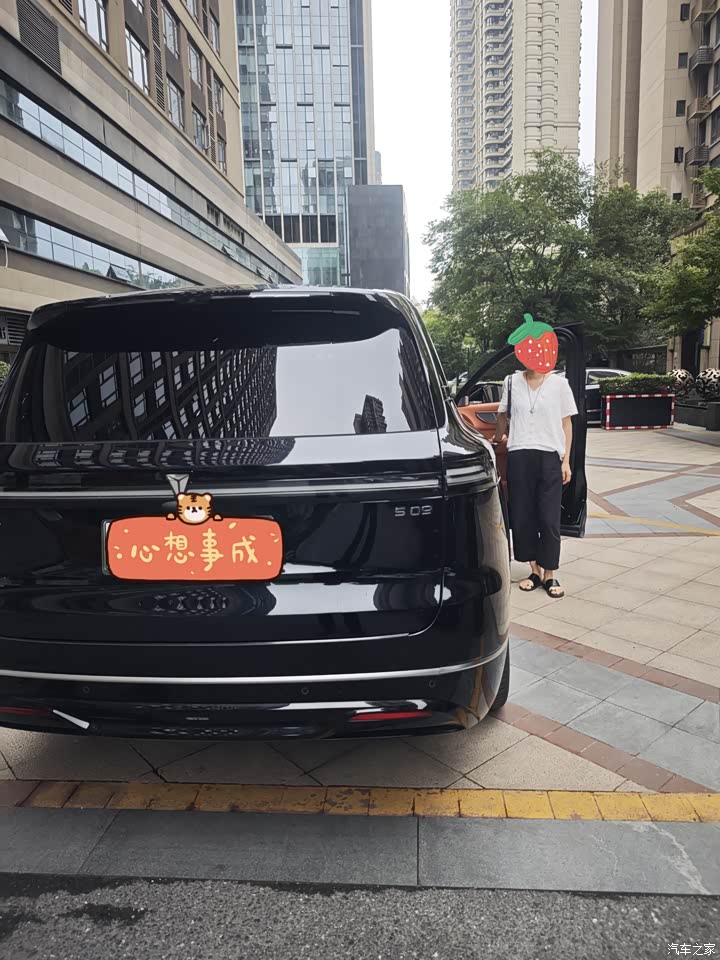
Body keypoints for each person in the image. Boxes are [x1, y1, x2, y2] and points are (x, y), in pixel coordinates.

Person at [492, 368, 578, 599]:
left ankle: (550, 573)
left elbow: (567, 424)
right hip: (519, 454)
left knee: (549, 518)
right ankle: (534, 571)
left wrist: (566, 461)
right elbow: (502, 415)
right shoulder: (511, 381)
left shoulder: (559, 384)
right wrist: (498, 438)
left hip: (550, 456)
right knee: (523, 516)